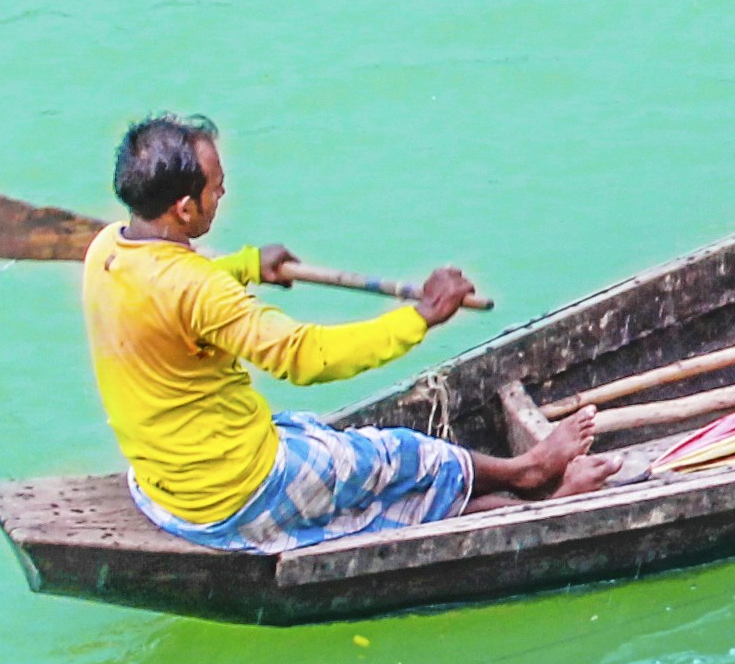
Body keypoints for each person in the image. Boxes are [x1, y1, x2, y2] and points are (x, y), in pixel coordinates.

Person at [76, 114, 607, 547]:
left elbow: (172, 291)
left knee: (328, 445)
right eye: (217, 189)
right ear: (184, 208)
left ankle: (494, 499)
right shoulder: (198, 291)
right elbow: (307, 356)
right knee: (412, 456)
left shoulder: (107, 248)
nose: (223, 194)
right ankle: (530, 473)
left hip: (165, 489)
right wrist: (419, 316)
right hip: (237, 492)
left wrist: (245, 264)